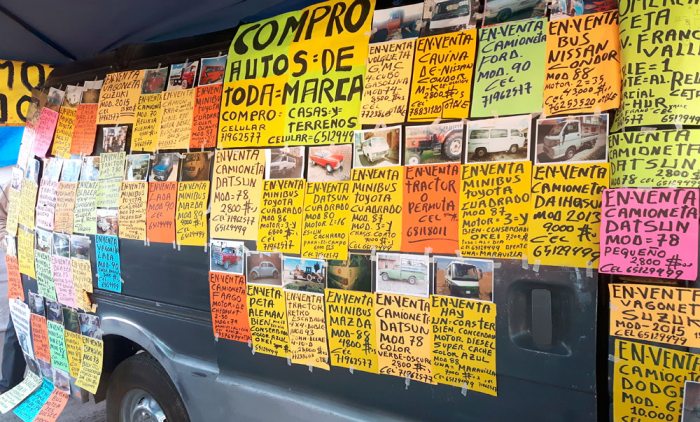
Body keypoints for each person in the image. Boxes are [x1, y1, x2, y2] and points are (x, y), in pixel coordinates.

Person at [0, 182, 26, 393]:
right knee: (16, 324)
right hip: (22, 267)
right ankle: (9, 385)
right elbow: (1, 218)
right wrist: (6, 241)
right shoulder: (15, 184)